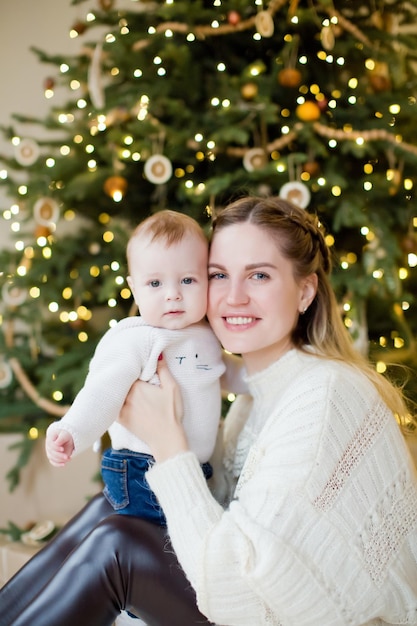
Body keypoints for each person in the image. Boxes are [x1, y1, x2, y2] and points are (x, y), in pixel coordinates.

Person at [1, 195, 417, 626]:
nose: (233, 297)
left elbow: (246, 588)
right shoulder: (254, 392)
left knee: (118, 544)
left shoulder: (327, 394)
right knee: (105, 512)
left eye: (259, 275)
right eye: (218, 275)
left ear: (305, 290)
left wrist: (166, 440)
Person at [46, 209, 226, 524]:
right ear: (134, 286)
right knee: (166, 542)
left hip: (191, 468)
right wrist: (72, 431)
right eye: (155, 283)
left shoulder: (206, 334)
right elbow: (103, 392)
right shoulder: (139, 341)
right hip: (142, 470)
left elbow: (229, 373)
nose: (173, 295)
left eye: (188, 279)